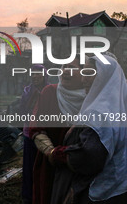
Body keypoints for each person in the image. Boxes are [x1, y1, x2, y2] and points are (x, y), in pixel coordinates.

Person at [49, 55, 127, 204]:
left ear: (105, 77)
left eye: (90, 73)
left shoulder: (98, 113)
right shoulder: (121, 109)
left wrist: (58, 154)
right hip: (122, 187)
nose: (84, 79)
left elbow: (90, 157)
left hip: (101, 192)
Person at [29, 56, 86, 204]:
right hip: (50, 163)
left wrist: (71, 157)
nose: (66, 71)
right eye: (64, 66)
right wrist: (51, 152)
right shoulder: (50, 92)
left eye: (73, 68)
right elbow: (36, 127)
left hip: (78, 164)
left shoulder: (91, 98)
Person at [20, 64, 49, 204]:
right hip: (28, 133)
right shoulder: (27, 91)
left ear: (44, 75)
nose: (35, 76)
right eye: (33, 74)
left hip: (44, 133)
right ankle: (28, 195)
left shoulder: (49, 90)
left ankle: (42, 193)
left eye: (38, 74)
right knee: (28, 165)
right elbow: (22, 110)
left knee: (42, 165)